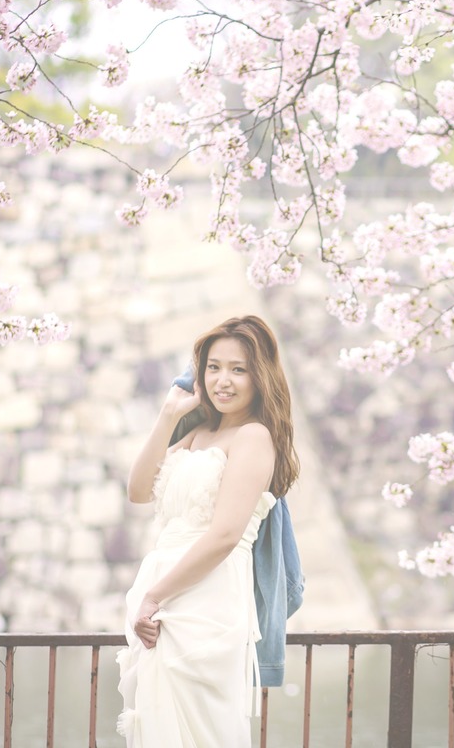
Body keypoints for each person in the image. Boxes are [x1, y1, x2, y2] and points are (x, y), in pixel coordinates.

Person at [116, 315, 300, 748]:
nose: (223, 380)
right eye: (213, 367)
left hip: (206, 597)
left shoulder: (255, 437)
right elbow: (139, 491)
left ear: (261, 376)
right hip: (163, 591)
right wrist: (167, 415)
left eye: (239, 369)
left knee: (203, 728)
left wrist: (155, 595)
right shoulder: (197, 433)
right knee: (159, 725)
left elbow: (224, 536)